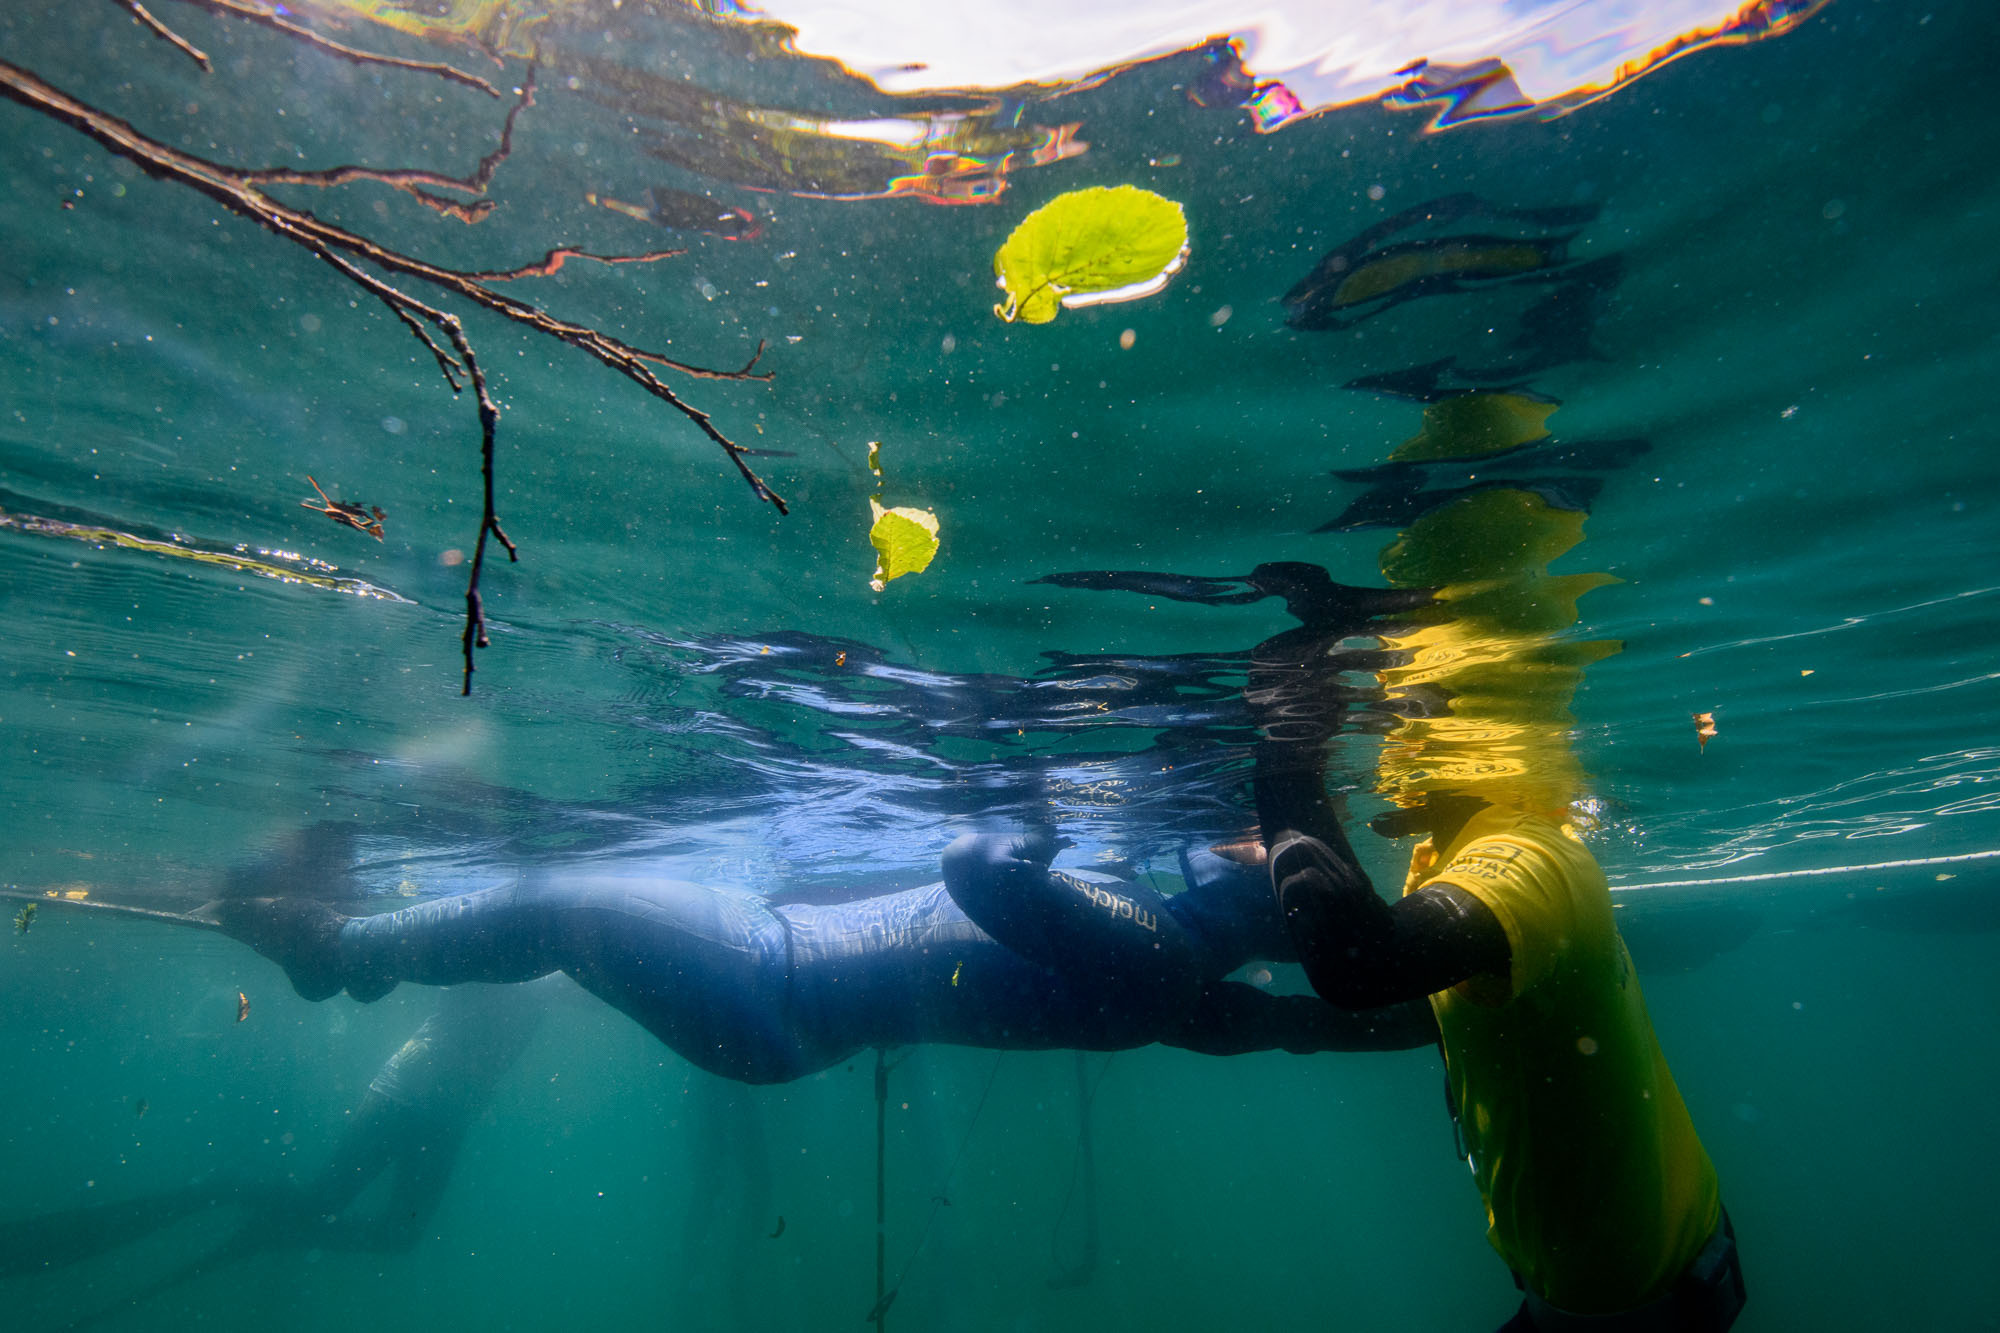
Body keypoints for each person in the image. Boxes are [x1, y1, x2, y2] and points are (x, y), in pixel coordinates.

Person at [210, 831, 1436, 1087]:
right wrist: (1444, 1008)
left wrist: (1033, 808)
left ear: (1264, 896)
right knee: (554, 919)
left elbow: (972, 863)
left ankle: (337, 946)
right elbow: (1307, 1024)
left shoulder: (1157, 946)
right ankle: (354, 950)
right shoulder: (1191, 994)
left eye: (1268, 849)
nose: (1245, 836)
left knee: (553, 903)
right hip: (781, 1003)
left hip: (764, 972)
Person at [1269, 796, 1743, 1332]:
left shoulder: (1519, 858)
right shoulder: (1469, 854)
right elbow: (1446, 1010)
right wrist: (1274, 1021)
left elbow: (1362, 964)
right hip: (1635, 1270)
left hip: (1627, 1299)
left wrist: (1287, 764)